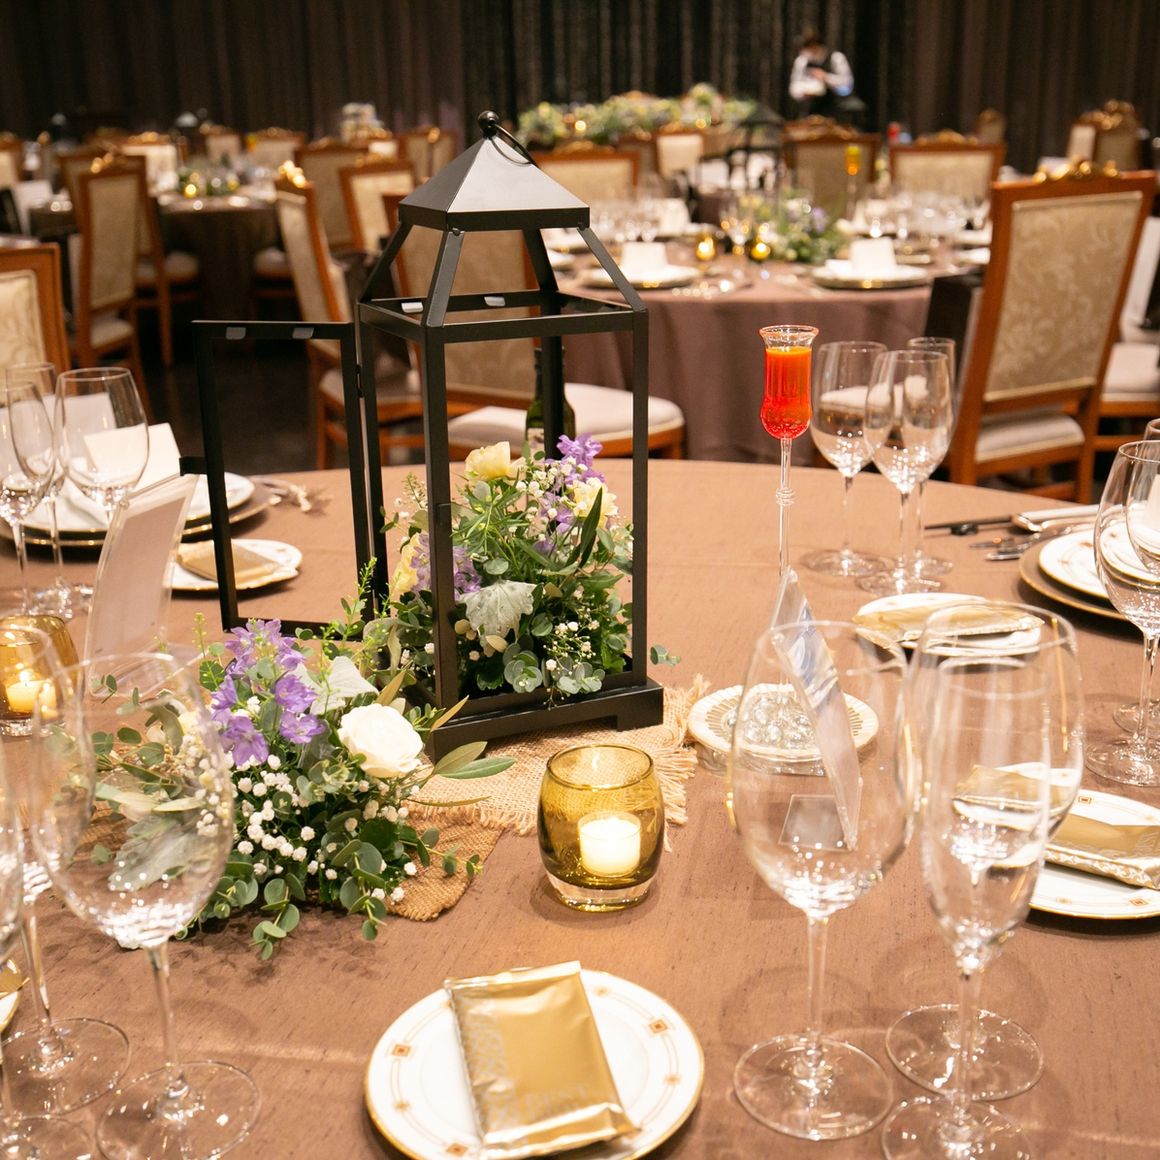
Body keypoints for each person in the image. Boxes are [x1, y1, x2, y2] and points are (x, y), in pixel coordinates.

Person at [789, 32, 854, 120]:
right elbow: (794, 88)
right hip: (808, 111)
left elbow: (847, 87)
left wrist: (826, 77)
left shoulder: (836, 58)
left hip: (833, 110)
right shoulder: (802, 61)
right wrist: (805, 92)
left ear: (815, 46)